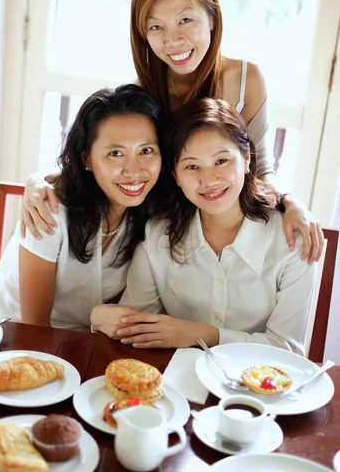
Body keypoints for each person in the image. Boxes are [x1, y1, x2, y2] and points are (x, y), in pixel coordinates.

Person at [21, 0, 323, 264]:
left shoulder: (246, 80)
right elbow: (113, 160)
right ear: (143, 34)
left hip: (224, 228)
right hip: (159, 232)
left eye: (186, 20)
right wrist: (39, 181)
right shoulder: (143, 94)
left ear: (213, 17)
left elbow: (259, 165)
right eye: (156, 26)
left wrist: (290, 201)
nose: (173, 40)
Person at [109, 98, 316, 355]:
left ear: (247, 158)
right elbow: (136, 328)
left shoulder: (291, 241)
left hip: (259, 388)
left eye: (221, 161)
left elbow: (288, 350)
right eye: (192, 166)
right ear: (175, 175)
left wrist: (202, 335)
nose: (209, 180)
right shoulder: (157, 235)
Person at [0, 85, 162, 332]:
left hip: (79, 343)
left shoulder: (152, 215)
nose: (134, 170)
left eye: (146, 150)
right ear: (86, 159)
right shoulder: (50, 208)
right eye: (115, 153)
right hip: (7, 337)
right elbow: (35, 330)